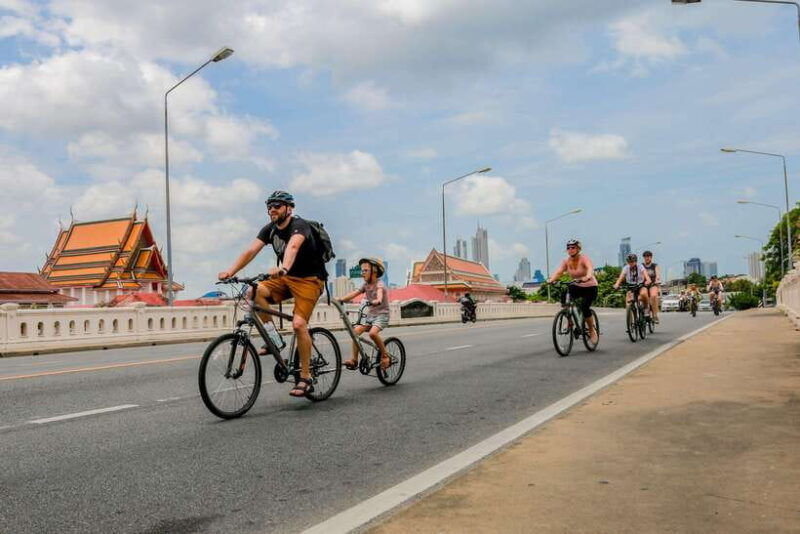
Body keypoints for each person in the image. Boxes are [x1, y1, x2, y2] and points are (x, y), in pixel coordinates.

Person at [218, 190, 328, 398]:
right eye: (269, 206)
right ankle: (274, 340)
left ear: (289, 208)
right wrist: (230, 272)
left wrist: (284, 268)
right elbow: (250, 251)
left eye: (277, 205)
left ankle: (305, 377)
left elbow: (293, 247)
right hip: (286, 279)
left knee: (298, 324)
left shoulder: (299, 225)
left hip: (309, 280)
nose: (272, 210)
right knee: (254, 291)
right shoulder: (269, 230)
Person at [339, 258, 390, 371]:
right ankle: (354, 360)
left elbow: (380, 294)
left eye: (365, 270)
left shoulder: (379, 284)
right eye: (362, 271)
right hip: (370, 316)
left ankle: (385, 356)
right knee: (355, 332)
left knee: (372, 334)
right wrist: (341, 299)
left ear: (375, 271)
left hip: (382, 315)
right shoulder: (365, 285)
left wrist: (378, 300)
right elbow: (355, 293)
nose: (362, 273)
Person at [547, 239, 599, 344]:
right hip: (576, 286)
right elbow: (559, 272)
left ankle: (592, 331)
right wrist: (551, 280)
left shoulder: (584, 258)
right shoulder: (566, 261)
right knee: (564, 295)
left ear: (578, 249)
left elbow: (590, 268)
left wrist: (587, 277)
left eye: (573, 247)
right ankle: (569, 320)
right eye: (569, 248)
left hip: (590, 286)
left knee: (585, 307)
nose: (570, 250)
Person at [642, 251, 662, 323]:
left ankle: (655, 315)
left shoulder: (654, 266)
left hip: (653, 284)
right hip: (643, 285)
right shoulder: (641, 266)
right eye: (645, 257)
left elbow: (658, 275)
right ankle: (644, 309)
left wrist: (657, 279)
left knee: (653, 296)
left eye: (648, 256)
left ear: (651, 257)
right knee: (640, 296)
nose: (647, 258)